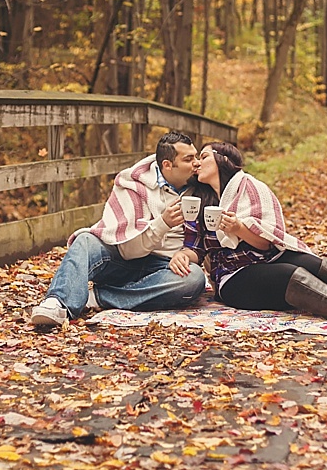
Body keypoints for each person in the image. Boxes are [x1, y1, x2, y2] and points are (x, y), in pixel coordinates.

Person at [169, 142, 327, 326]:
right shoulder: (195, 200)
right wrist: (183, 254)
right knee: (291, 273)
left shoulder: (250, 189)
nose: (198, 163)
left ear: (222, 160)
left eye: (203, 156)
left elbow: (266, 244)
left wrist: (238, 229)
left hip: (263, 259)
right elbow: (196, 248)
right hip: (233, 278)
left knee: (311, 262)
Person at [31, 131, 207, 327]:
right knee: (86, 240)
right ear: (167, 165)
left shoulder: (201, 185)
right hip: (121, 260)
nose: (197, 163)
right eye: (189, 159)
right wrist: (163, 223)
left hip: (164, 268)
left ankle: (98, 297)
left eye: (197, 156)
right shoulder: (132, 185)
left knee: (193, 278)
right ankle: (57, 302)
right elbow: (127, 249)